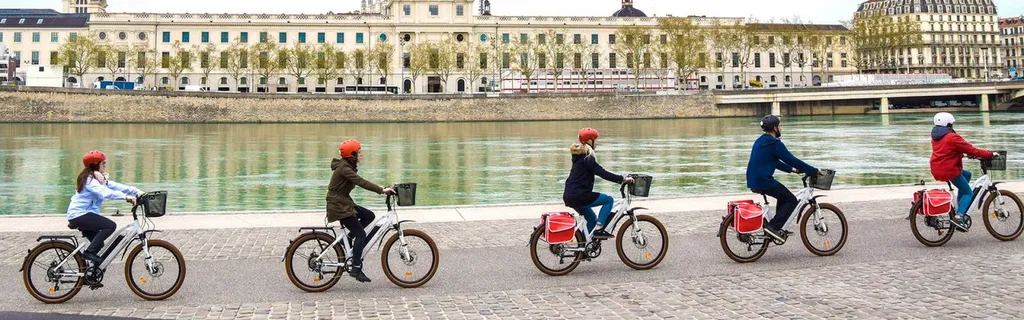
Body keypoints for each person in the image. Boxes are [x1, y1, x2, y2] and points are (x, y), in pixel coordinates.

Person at [326, 139, 395, 283]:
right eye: (358, 152)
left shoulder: (347, 166)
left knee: (369, 216)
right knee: (361, 234)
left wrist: (382, 187)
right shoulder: (344, 168)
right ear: (352, 155)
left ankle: (349, 242)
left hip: (343, 203)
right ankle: (356, 267)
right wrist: (381, 190)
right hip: (339, 206)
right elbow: (361, 182)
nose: (361, 154)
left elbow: (360, 181)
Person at [746, 115, 822, 242]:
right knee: (791, 200)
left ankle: (778, 226)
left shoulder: (760, 141)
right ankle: (773, 227)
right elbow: (792, 159)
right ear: (775, 128)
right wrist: (813, 170)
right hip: (763, 180)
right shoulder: (775, 143)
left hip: (754, 179)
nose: (782, 128)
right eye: (780, 126)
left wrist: (791, 169)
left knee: (783, 196)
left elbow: (773, 160)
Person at [67, 150, 144, 265]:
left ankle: (91, 276)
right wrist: (126, 198)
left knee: (100, 248)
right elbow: (105, 193)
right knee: (110, 226)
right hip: (79, 214)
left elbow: (118, 187)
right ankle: (88, 253)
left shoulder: (99, 179)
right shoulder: (89, 180)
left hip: (85, 215)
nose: (105, 165)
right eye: (103, 163)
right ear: (95, 164)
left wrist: (139, 192)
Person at [562, 128, 634, 240]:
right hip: (579, 195)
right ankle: (599, 229)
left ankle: (583, 248)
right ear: (589, 141)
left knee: (591, 220)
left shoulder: (579, 157)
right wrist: (622, 179)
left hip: (570, 195)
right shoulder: (587, 159)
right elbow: (602, 173)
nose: (597, 142)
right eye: (596, 140)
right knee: (608, 200)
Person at [930, 112, 997, 229]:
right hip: (949, 170)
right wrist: (989, 154)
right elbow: (972, 150)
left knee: (967, 175)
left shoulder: (936, 137)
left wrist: (963, 154)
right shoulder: (952, 137)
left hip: (938, 167)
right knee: (968, 193)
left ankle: (960, 206)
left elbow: (946, 152)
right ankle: (959, 216)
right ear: (949, 124)